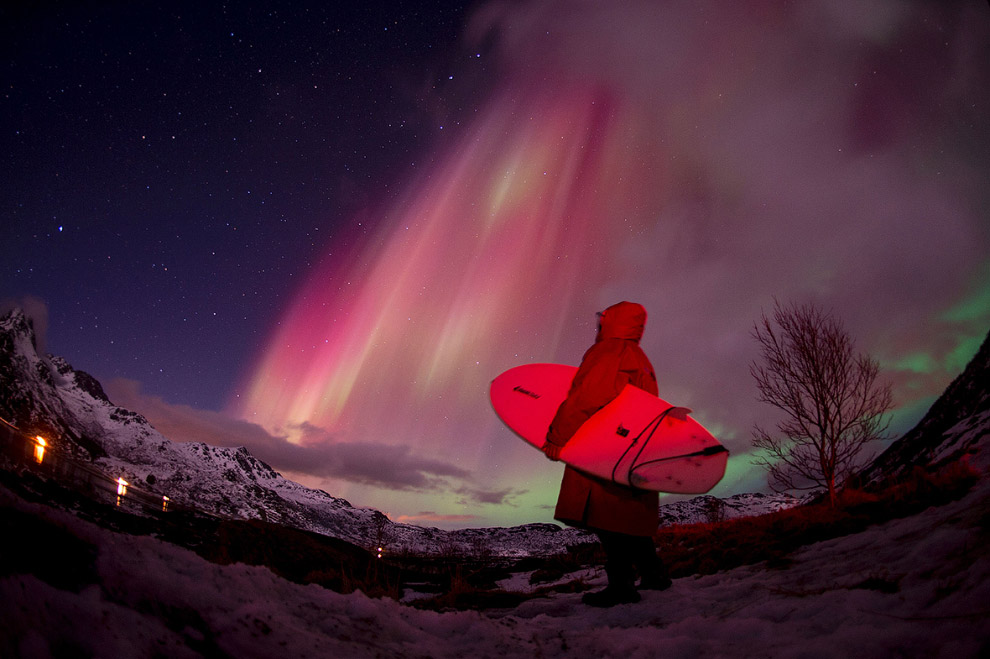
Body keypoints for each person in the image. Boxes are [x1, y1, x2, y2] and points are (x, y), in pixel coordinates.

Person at [542, 301, 672, 607]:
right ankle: (654, 574)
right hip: (634, 448)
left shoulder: (608, 352)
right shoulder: (639, 357)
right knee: (627, 516)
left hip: (603, 450)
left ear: (611, 323)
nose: (598, 327)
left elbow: (586, 398)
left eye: (602, 322)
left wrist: (557, 438)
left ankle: (621, 588)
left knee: (607, 519)